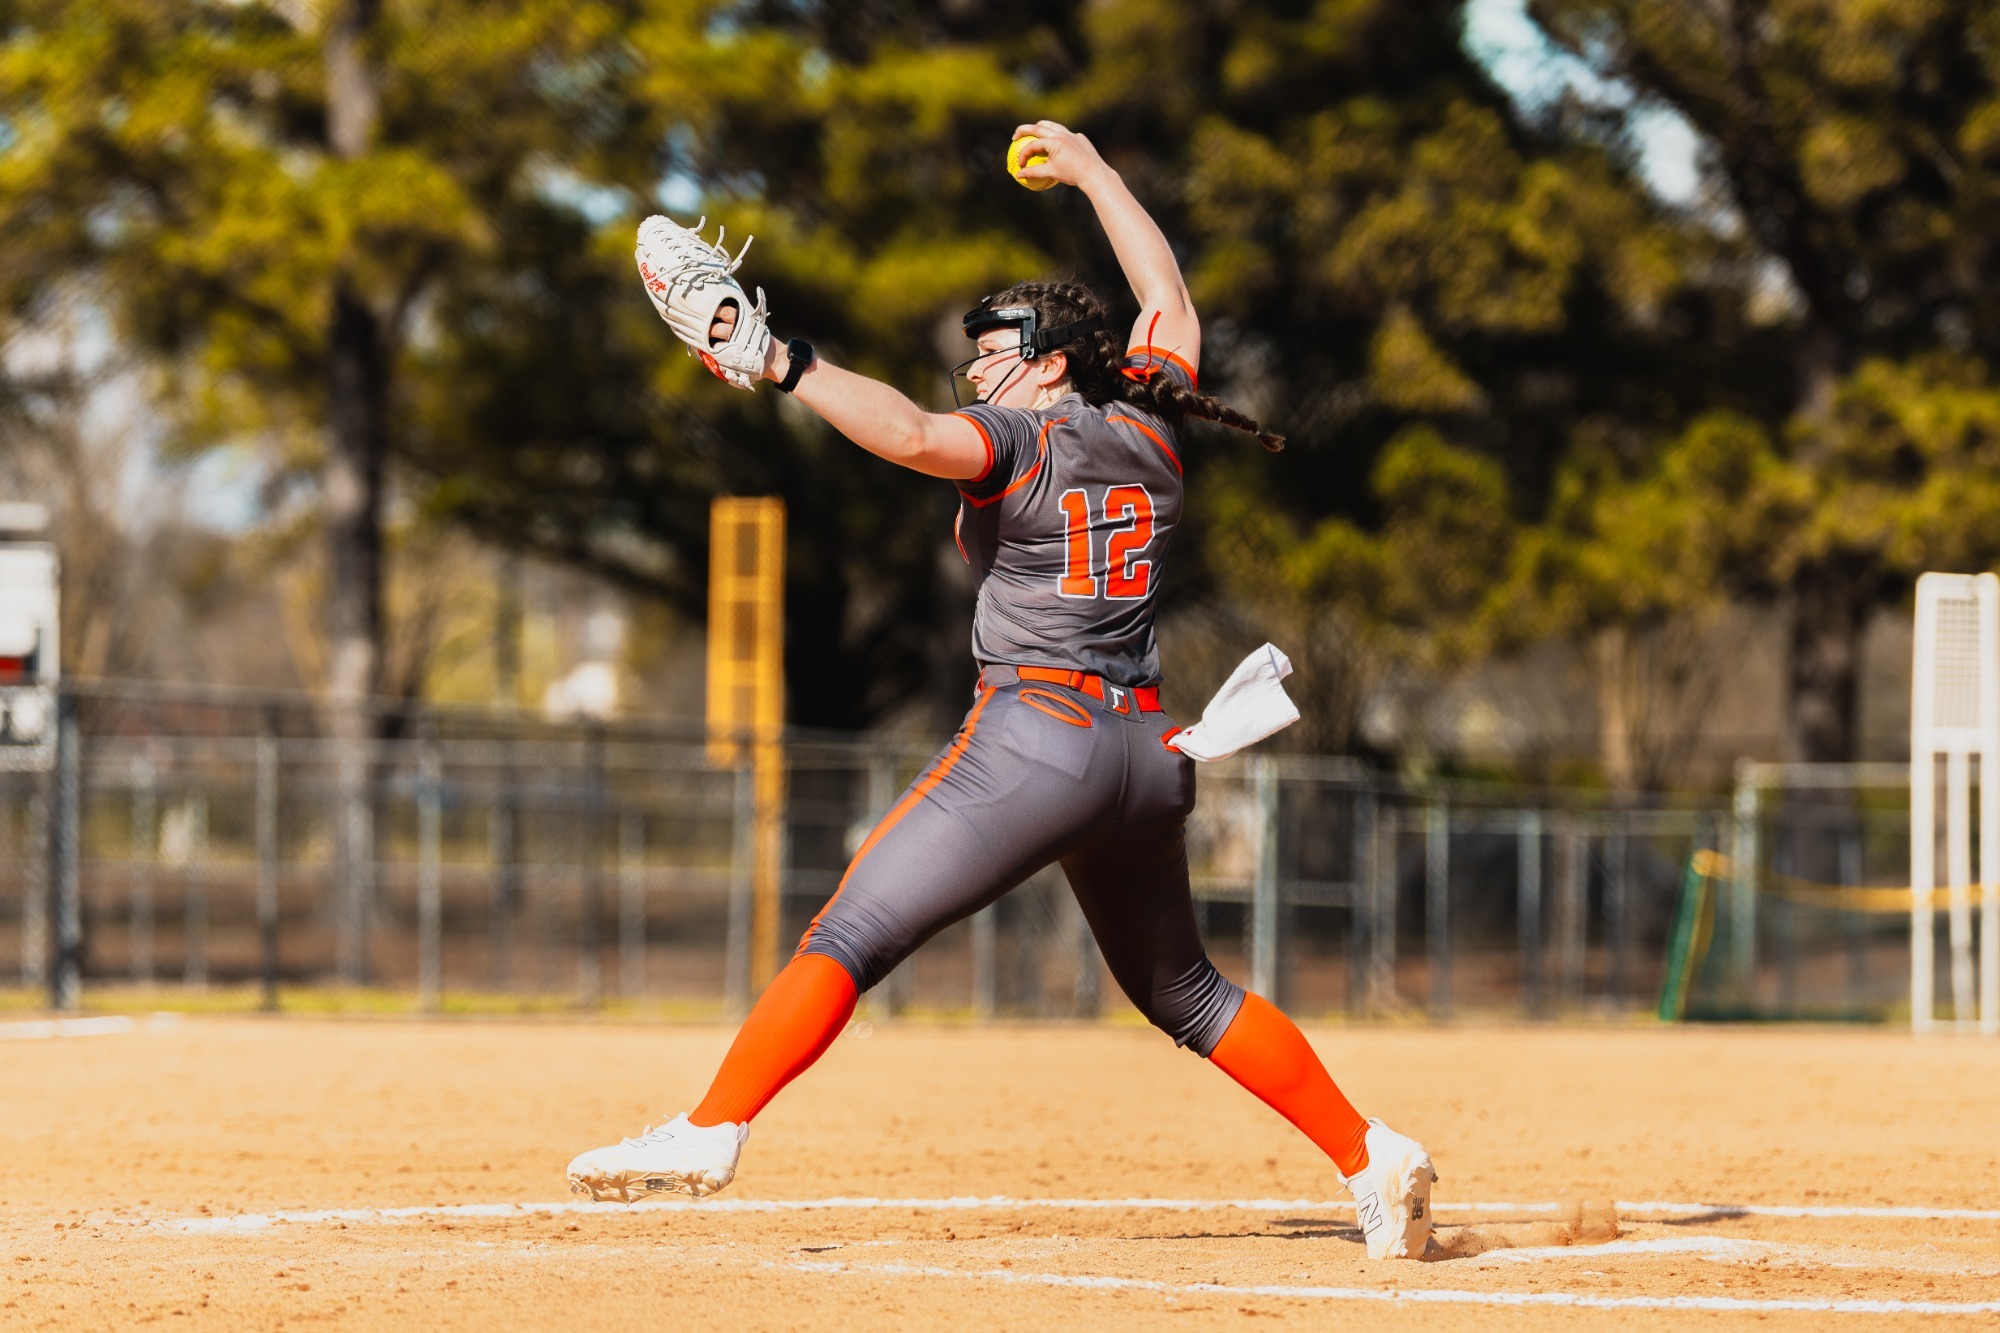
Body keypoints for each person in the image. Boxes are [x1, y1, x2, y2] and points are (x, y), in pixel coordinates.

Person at [568, 120, 1438, 1261]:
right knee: (1184, 993)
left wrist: (777, 357)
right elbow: (1166, 299)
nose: (977, 366)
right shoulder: (1150, 423)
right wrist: (1092, 172)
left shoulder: (1022, 439)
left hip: (1042, 736)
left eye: (994, 350)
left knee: (848, 929)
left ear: (1049, 359)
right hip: (1148, 752)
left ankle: (710, 1128)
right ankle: (1369, 1152)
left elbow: (913, 434)